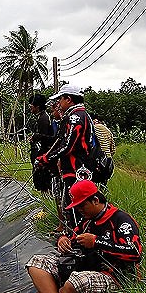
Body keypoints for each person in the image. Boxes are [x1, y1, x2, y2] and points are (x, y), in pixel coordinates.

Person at [26, 179, 142, 293]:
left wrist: (97, 242)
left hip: (113, 276)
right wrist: (63, 239)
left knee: (75, 283)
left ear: (95, 200)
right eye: (77, 207)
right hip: (84, 267)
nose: (79, 210)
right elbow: (71, 235)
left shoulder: (121, 220)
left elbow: (135, 253)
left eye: (82, 206)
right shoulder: (87, 220)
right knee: (36, 262)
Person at [36, 83, 93, 225]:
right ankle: (74, 234)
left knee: (76, 205)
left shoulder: (75, 117)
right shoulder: (79, 115)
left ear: (68, 99)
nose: (59, 103)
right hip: (75, 167)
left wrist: (46, 158)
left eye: (61, 99)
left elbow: (67, 146)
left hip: (76, 168)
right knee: (72, 204)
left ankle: (76, 238)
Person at [29, 93, 57, 193]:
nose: (30, 107)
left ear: (37, 106)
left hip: (44, 157)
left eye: (31, 105)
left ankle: (47, 204)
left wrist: (36, 136)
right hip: (40, 155)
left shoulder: (44, 118)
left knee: (43, 183)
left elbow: (48, 138)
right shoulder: (41, 117)